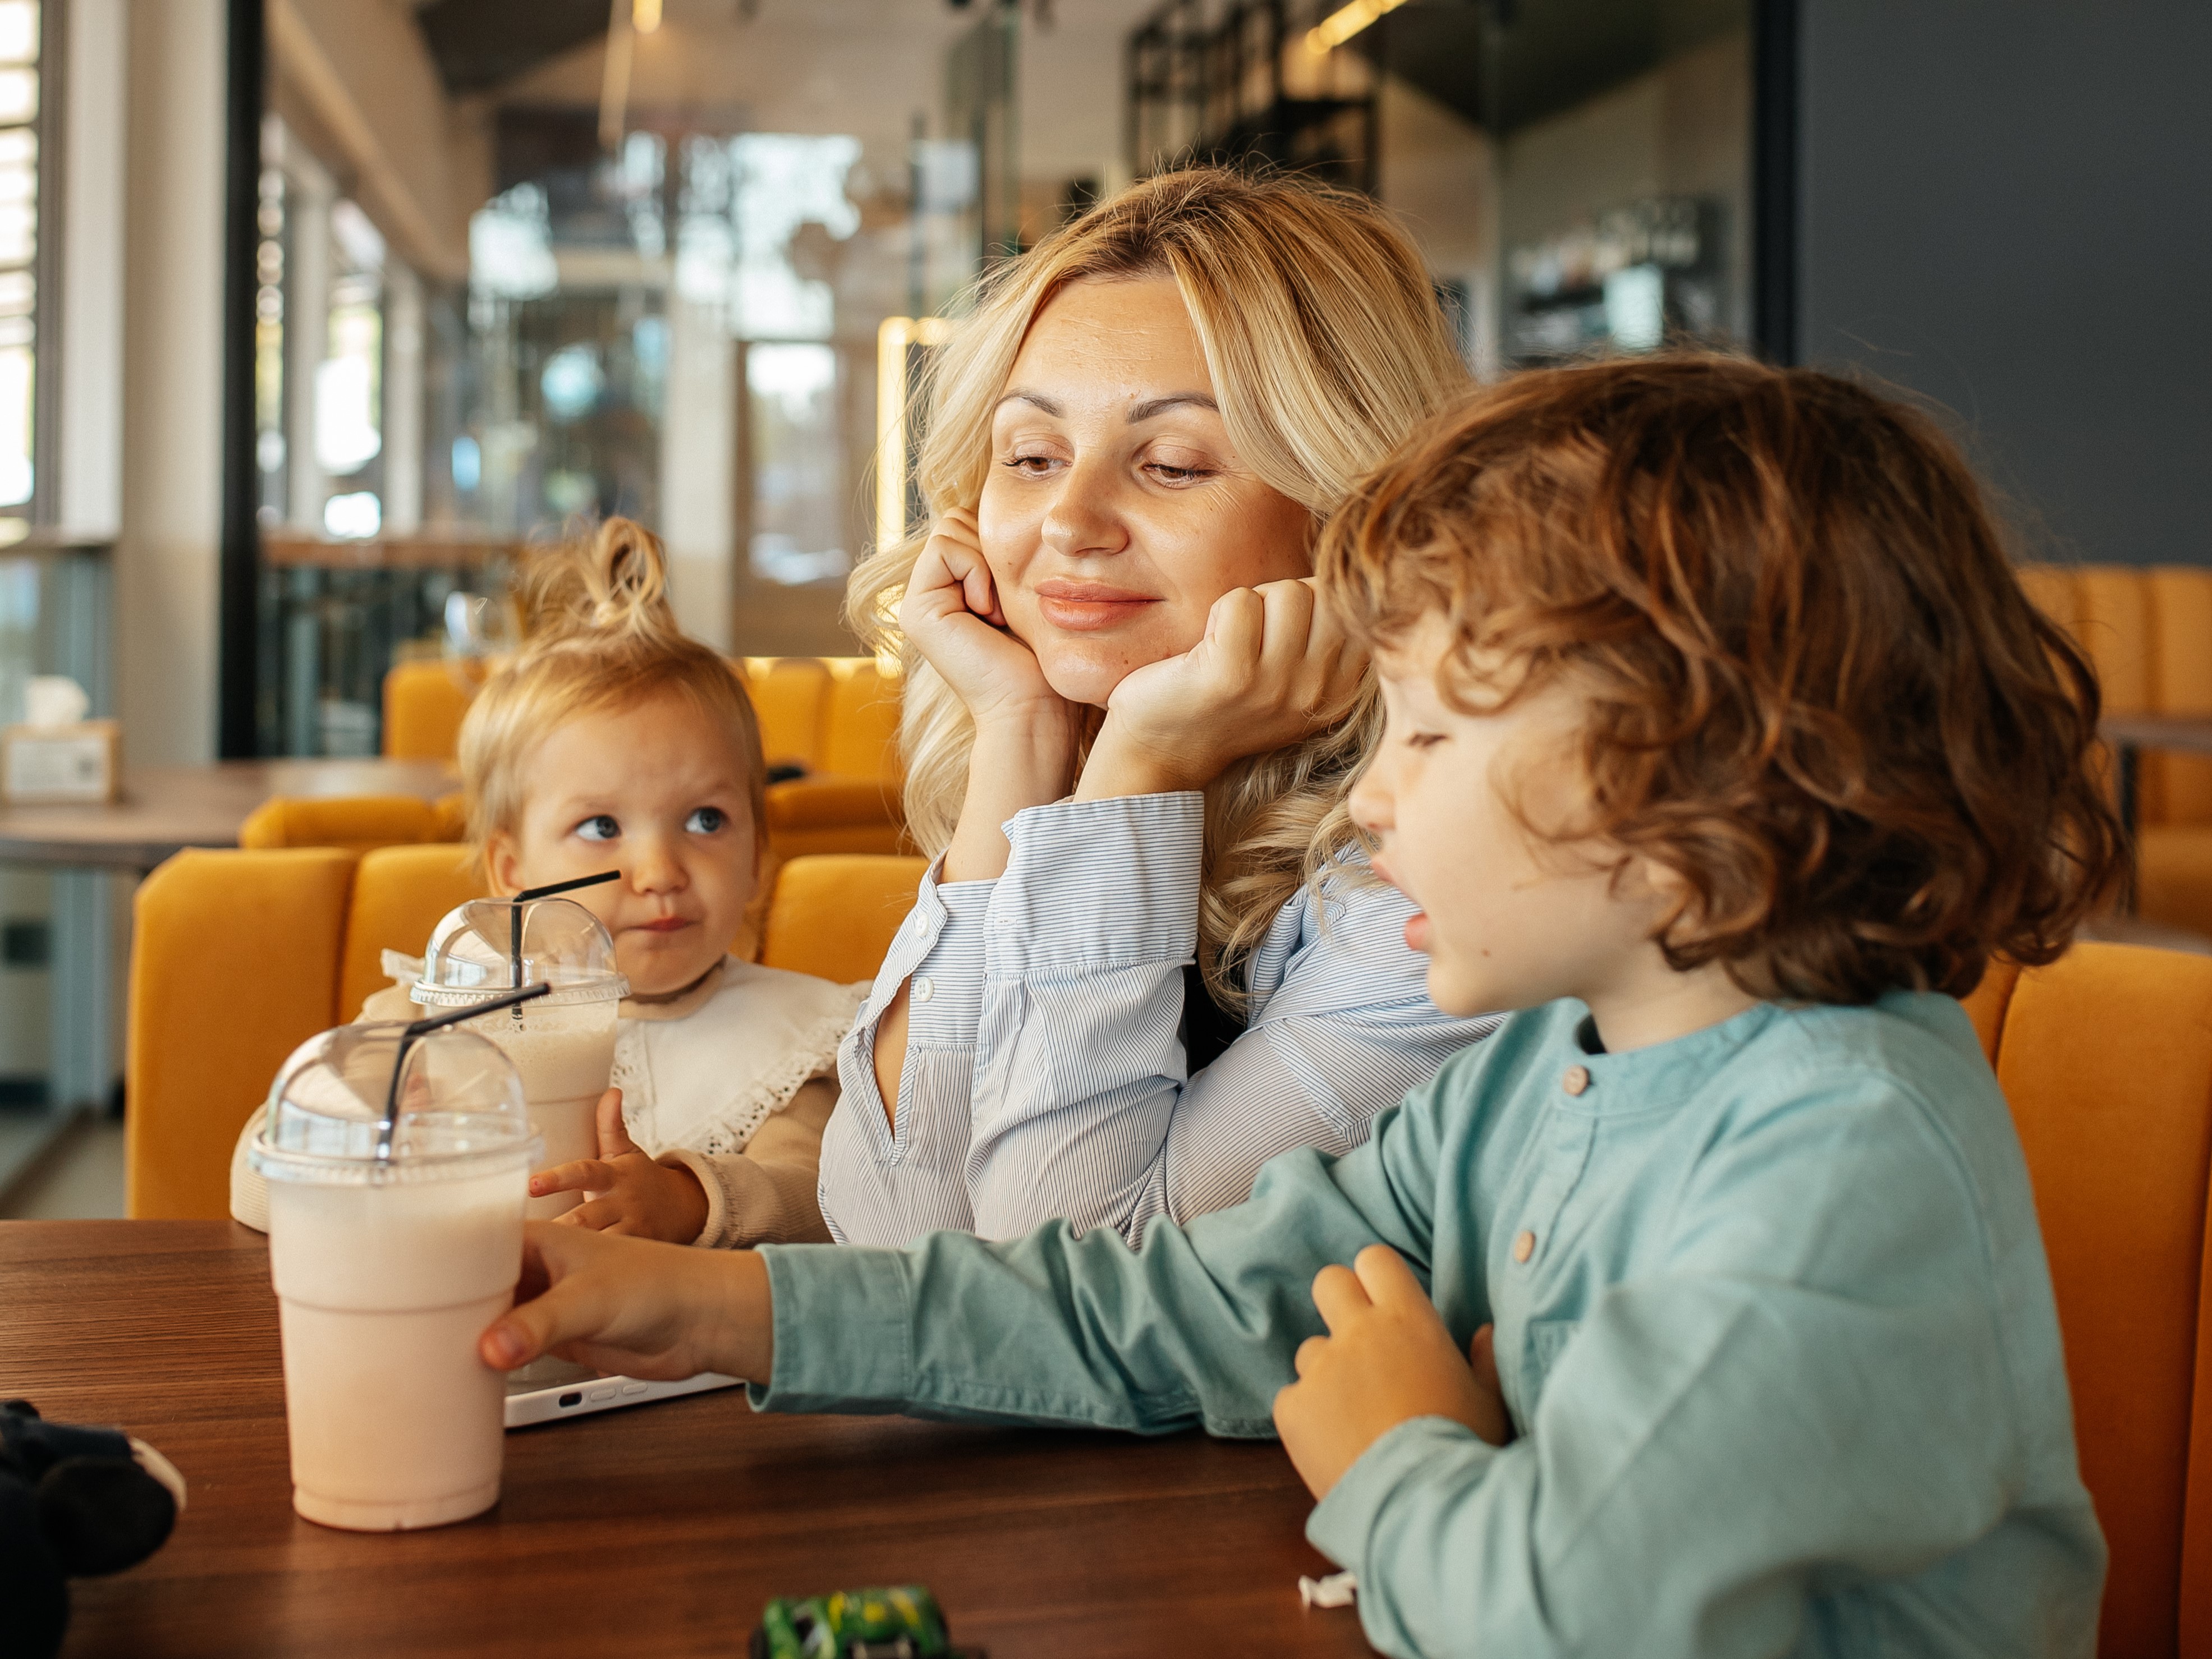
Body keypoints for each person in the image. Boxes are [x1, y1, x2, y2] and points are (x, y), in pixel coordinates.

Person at [480, 356, 2122, 1658]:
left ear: (1677, 781)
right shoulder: (1552, 1062)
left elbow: (1580, 1619)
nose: (1374, 802)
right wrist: (703, 1307)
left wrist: (1397, 1448)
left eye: (1424, 737)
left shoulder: (1834, 1166)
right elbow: (1152, 1302)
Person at [825, 166, 1499, 1247]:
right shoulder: (1059, 745)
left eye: (1173, 464)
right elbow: (893, 1229)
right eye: (1032, 456)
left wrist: (1142, 767)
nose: (1071, 520)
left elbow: (1063, 1282)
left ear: (1350, 515)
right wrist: (1022, 733)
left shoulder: (1434, 892)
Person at [232, 520, 862, 1248]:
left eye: (705, 819)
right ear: (511, 872)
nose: (659, 873)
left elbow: (821, 1197)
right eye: (601, 827)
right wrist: (375, 1144)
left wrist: (691, 1199)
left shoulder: (798, 1042)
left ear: (759, 855)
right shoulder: (434, 1015)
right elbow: (256, 1175)